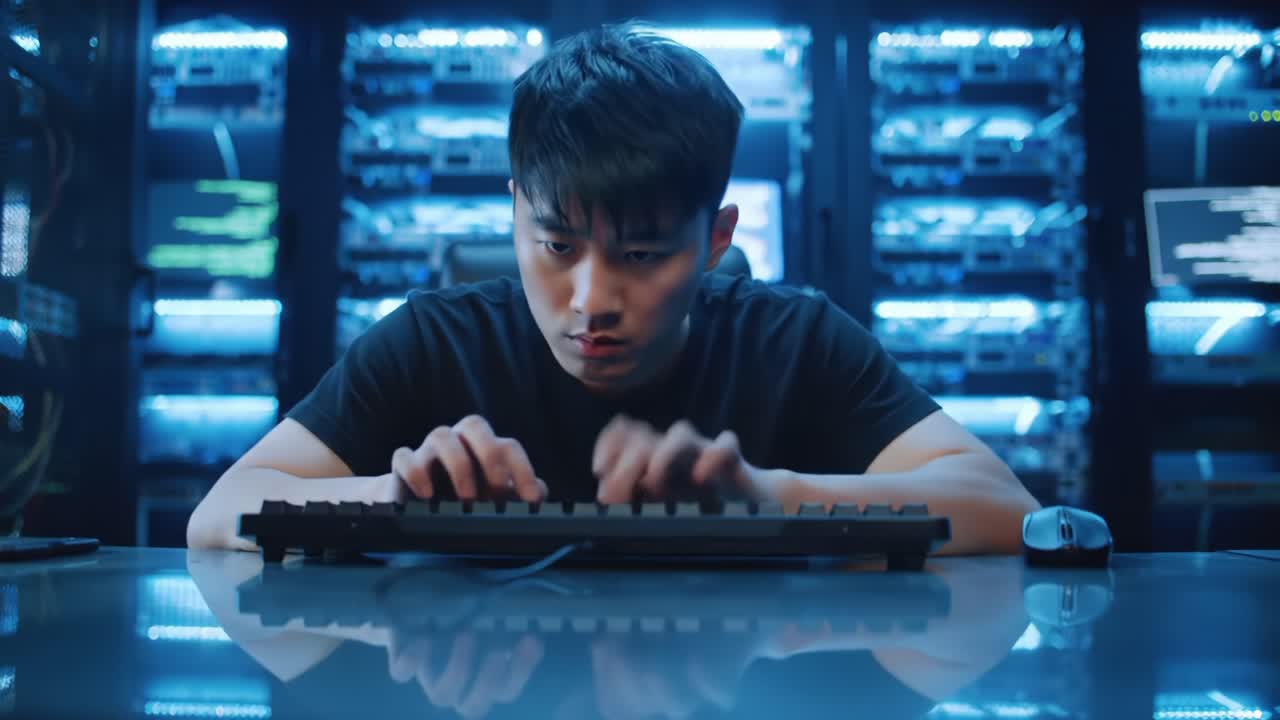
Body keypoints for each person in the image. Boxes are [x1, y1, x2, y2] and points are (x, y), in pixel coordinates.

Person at [186, 23, 1040, 554]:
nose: (590, 300)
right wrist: (394, 497)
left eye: (641, 255)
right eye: (556, 243)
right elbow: (220, 514)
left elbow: (1007, 509)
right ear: (515, 214)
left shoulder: (794, 342)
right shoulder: (433, 340)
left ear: (716, 240)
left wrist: (765, 496)